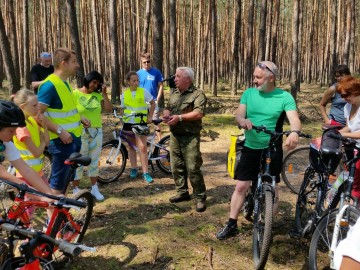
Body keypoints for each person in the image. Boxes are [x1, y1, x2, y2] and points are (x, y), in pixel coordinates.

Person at [216, 61, 302, 240]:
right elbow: (239, 115)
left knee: (273, 186)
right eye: (254, 77)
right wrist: (242, 121)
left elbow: (294, 119)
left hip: (273, 148)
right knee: (241, 186)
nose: (254, 81)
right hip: (250, 147)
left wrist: (294, 132)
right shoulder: (249, 93)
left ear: (271, 78)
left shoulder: (284, 97)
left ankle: (266, 224)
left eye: (258, 77)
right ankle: (232, 222)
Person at [38, 48, 90, 195]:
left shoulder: (64, 83)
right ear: (63, 63)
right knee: (57, 184)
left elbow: (65, 109)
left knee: (65, 181)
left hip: (72, 140)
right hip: (61, 142)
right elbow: (37, 115)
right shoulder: (49, 85)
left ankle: (60, 215)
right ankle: (53, 217)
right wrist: (59, 131)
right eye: (74, 62)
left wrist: (80, 118)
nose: (77, 65)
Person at [163, 67, 207, 212]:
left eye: (177, 76)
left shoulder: (198, 94)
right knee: (176, 166)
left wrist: (180, 118)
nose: (174, 79)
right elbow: (169, 107)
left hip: (190, 136)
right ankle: (182, 193)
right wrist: (166, 114)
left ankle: (200, 197)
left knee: (193, 167)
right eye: (175, 76)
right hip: (175, 135)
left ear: (187, 79)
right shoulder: (174, 92)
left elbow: (198, 113)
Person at [11, 89, 52, 219]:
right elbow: (36, 152)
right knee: (28, 210)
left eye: (37, 104)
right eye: (34, 105)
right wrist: (41, 143)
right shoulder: (21, 128)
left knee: (49, 201)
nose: (38, 108)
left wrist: (44, 124)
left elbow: (47, 142)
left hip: (37, 173)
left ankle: (54, 230)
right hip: (26, 175)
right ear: (23, 107)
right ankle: (24, 235)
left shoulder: (32, 121)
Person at [72, 71, 111, 201]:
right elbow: (69, 112)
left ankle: (94, 187)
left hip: (96, 131)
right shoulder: (75, 93)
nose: (95, 85)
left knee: (94, 160)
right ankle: (76, 189)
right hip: (80, 131)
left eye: (97, 83)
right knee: (79, 161)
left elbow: (108, 109)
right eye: (93, 82)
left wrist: (104, 94)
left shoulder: (97, 96)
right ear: (87, 79)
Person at [0, 100, 53, 195]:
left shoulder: (5, 143)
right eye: (11, 131)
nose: (14, 134)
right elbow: (3, 174)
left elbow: (26, 170)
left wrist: (49, 194)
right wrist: (41, 197)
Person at [120, 71, 155, 183]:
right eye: (134, 81)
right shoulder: (124, 94)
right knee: (131, 147)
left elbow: (153, 103)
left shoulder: (143, 91)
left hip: (140, 123)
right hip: (128, 124)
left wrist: (150, 117)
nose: (136, 83)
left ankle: (146, 172)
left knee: (143, 148)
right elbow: (123, 108)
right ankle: (134, 168)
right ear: (128, 82)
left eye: (137, 80)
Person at [336, 76, 360, 200]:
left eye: (346, 95)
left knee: (355, 183)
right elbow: (349, 127)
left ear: (355, 91)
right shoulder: (347, 107)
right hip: (354, 149)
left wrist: (343, 135)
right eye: (341, 96)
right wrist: (335, 133)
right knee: (352, 181)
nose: (344, 98)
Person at [137, 52, 164, 138]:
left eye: (148, 61)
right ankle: (144, 140)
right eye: (144, 62)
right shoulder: (138, 73)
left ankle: (160, 141)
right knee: (142, 122)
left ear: (150, 61)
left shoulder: (156, 72)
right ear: (141, 62)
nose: (146, 64)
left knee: (156, 121)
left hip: (153, 101)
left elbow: (161, 86)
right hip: (141, 102)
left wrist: (157, 99)